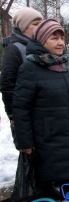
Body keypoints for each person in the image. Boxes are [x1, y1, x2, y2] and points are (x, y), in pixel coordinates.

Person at [13, 19, 69, 200]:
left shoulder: (66, 65)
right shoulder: (30, 68)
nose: (60, 42)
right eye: (54, 38)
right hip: (46, 138)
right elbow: (21, 109)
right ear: (42, 40)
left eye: (62, 37)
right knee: (49, 189)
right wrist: (25, 143)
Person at [0, 7, 43, 149]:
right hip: (25, 118)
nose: (40, 27)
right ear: (23, 27)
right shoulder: (15, 50)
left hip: (42, 117)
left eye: (41, 23)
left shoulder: (41, 47)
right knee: (30, 161)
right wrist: (14, 117)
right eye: (35, 24)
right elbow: (7, 85)